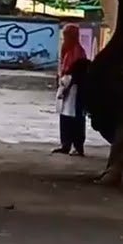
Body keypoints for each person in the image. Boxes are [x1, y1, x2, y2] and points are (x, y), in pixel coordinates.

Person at [54, 23, 90, 156]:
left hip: (75, 90)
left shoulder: (77, 52)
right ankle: (65, 144)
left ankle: (77, 146)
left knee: (75, 118)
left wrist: (65, 84)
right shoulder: (68, 51)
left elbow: (76, 73)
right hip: (66, 88)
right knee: (65, 117)